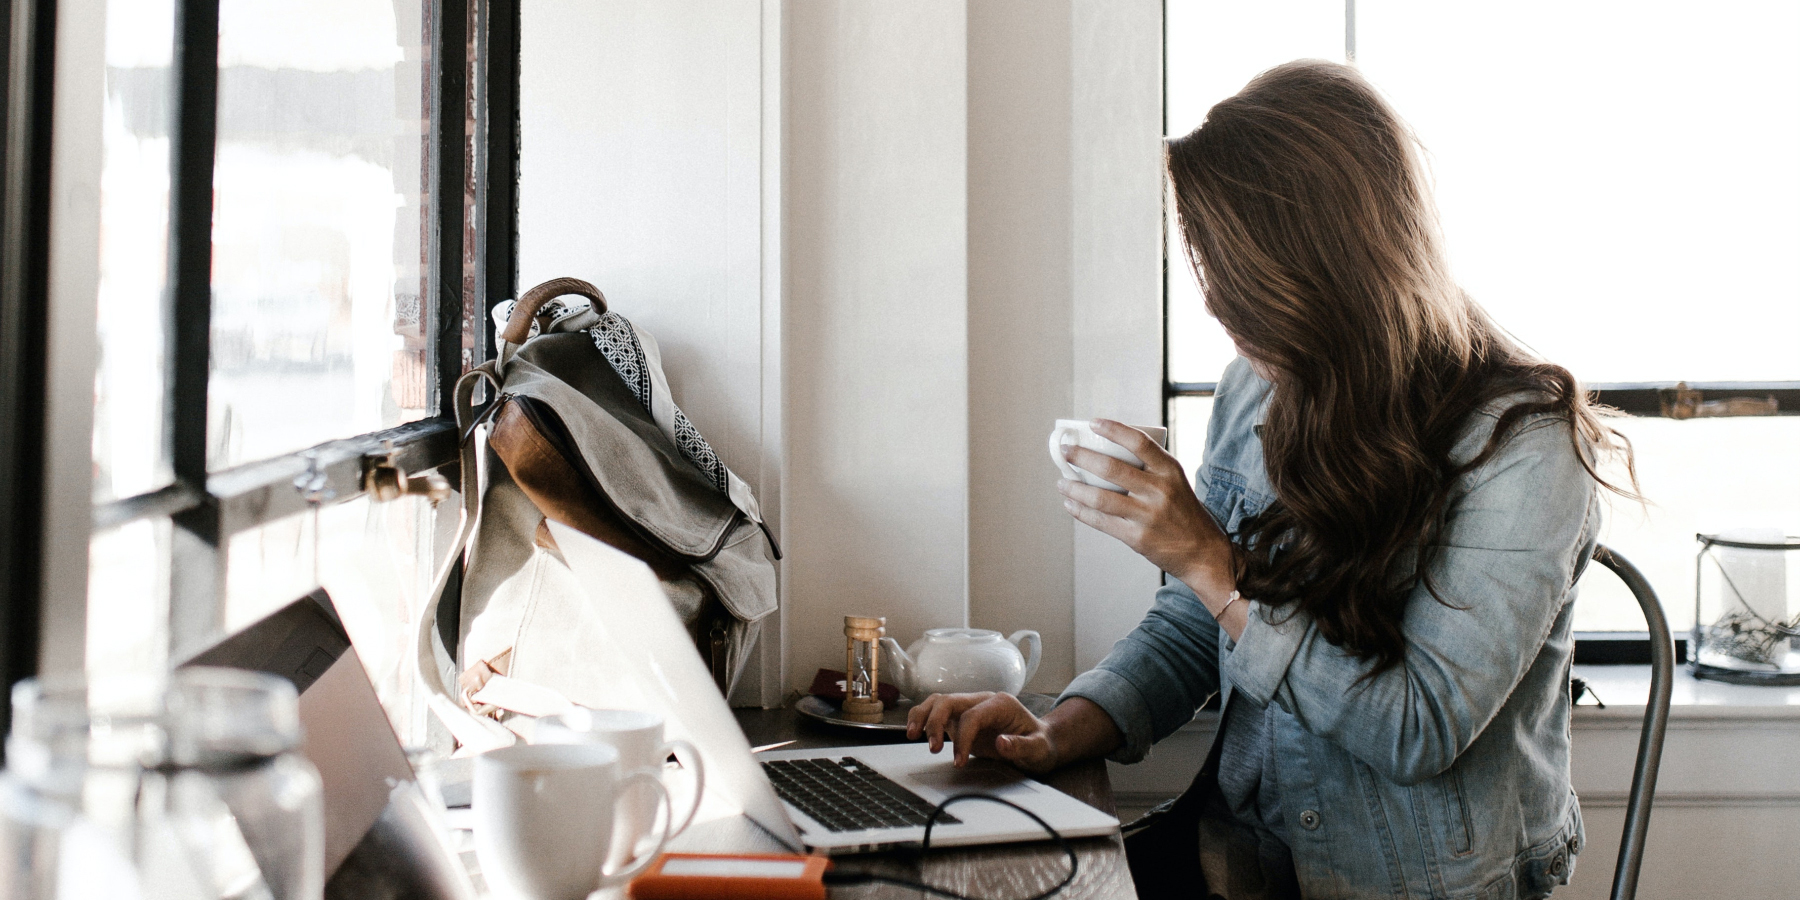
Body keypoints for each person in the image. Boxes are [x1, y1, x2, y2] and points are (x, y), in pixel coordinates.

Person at [907, 60, 1635, 900]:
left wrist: (1212, 561)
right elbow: (1195, 626)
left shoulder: (1525, 448)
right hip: (1241, 858)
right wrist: (1059, 729)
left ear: (1324, 268)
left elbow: (1418, 728)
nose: (1217, 304)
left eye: (1235, 277)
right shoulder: (1259, 385)